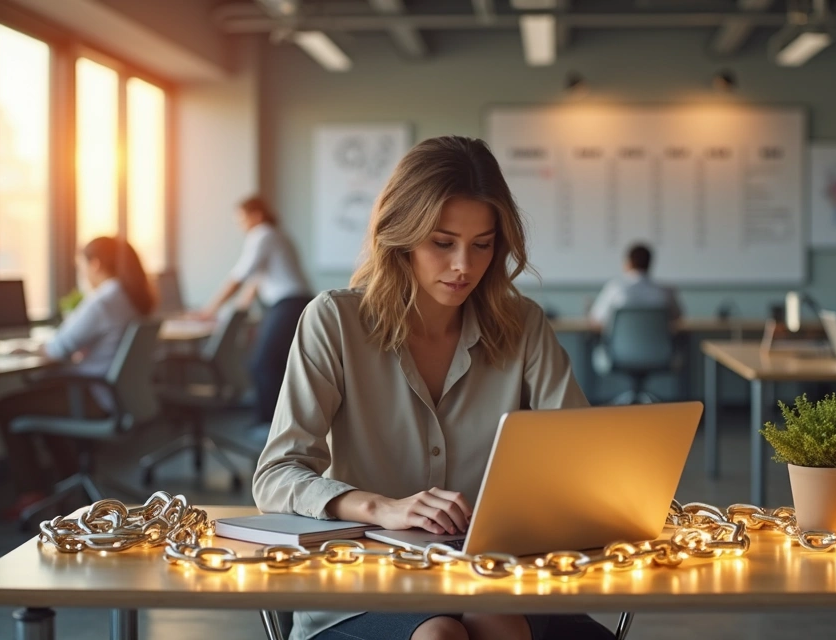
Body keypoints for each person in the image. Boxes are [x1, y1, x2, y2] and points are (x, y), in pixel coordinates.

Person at [252, 136, 613, 640]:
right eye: (442, 243)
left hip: (497, 581)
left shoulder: (523, 325)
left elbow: (583, 458)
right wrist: (380, 507)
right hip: (366, 589)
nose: (464, 265)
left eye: (482, 244)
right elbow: (276, 475)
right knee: (439, 634)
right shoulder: (334, 321)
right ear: (400, 235)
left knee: (495, 621)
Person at [0, 237, 155, 518]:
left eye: (81, 266)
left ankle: (31, 494)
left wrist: (30, 348)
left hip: (94, 396)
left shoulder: (104, 300)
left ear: (95, 264)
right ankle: (68, 479)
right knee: (41, 401)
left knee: (5, 407)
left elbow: (58, 348)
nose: (82, 274)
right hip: (113, 395)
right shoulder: (130, 296)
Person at [197, 196, 313, 426]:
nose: (241, 225)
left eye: (242, 219)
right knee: (275, 363)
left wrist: (208, 310)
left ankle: (268, 425)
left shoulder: (263, 234)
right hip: (292, 303)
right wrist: (229, 315)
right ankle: (279, 423)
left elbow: (239, 277)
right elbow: (253, 285)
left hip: (289, 304)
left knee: (263, 363)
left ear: (257, 215)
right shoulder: (275, 236)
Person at [588, 244, 681, 330]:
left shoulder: (615, 289)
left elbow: (596, 319)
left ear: (629, 263)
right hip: (661, 346)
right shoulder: (666, 291)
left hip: (619, 346)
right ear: (649, 264)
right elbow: (677, 318)